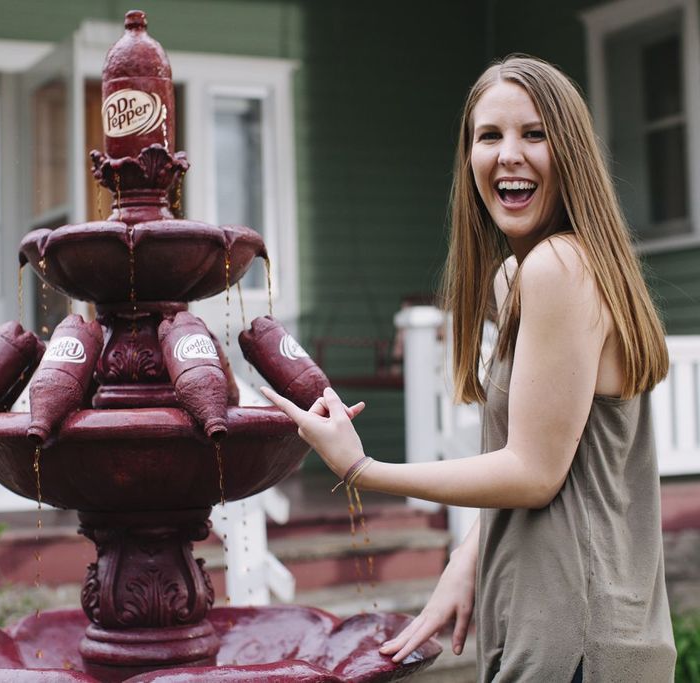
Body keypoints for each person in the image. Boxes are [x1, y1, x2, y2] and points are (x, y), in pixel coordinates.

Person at [262, 55, 677, 682]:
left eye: (534, 133)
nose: (509, 154)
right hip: (580, 629)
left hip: (575, 642)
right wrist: (471, 554)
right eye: (490, 136)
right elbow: (556, 458)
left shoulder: (558, 269)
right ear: (469, 158)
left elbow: (534, 472)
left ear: (573, 152)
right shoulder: (534, 272)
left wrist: (361, 468)